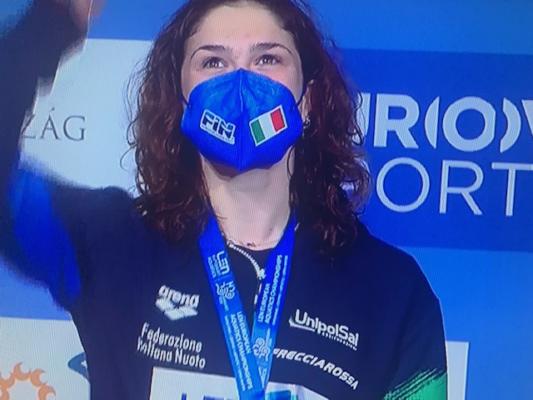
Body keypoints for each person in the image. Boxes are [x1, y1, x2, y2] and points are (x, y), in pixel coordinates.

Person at [0, 0, 448, 399]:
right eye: (213, 62)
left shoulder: (389, 289)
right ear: (181, 101)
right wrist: (48, 27)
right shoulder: (111, 242)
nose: (240, 81)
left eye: (267, 58)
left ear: (307, 101)